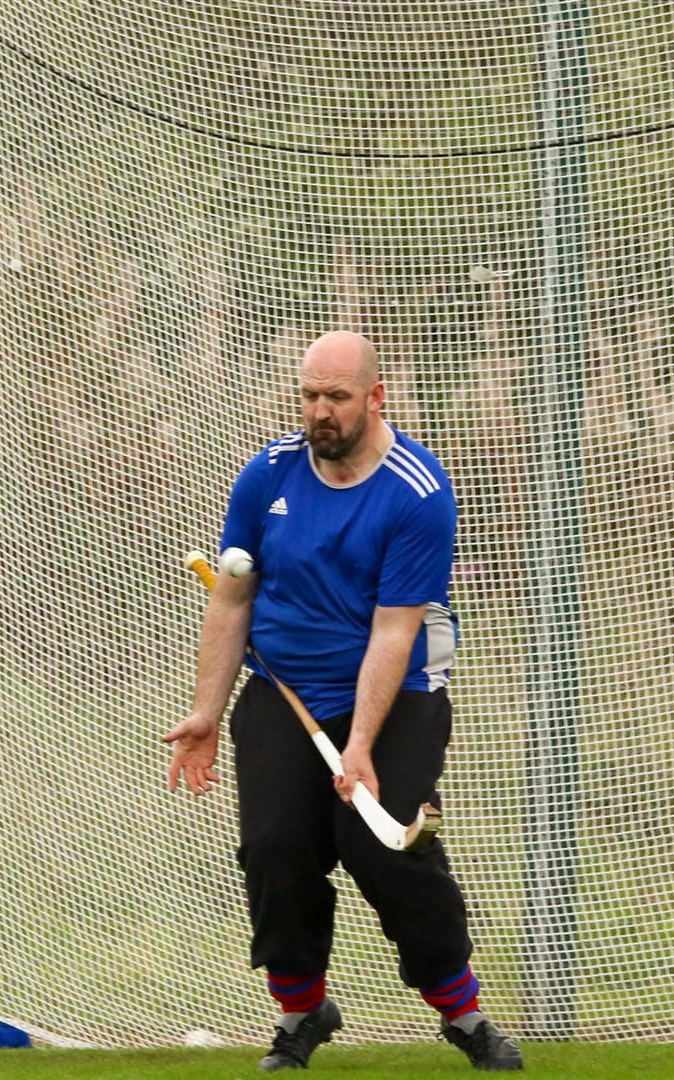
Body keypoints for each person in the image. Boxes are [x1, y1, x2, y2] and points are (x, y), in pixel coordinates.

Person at [164, 331, 523, 1073]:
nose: (319, 412)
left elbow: (394, 634)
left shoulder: (417, 492)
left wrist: (360, 745)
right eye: (309, 395)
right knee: (276, 848)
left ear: (375, 397)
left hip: (396, 697)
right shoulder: (267, 477)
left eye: (337, 397)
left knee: (382, 846)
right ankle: (302, 1011)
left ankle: (461, 1012)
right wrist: (205, 711)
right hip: (281, 691)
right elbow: (232, 602)